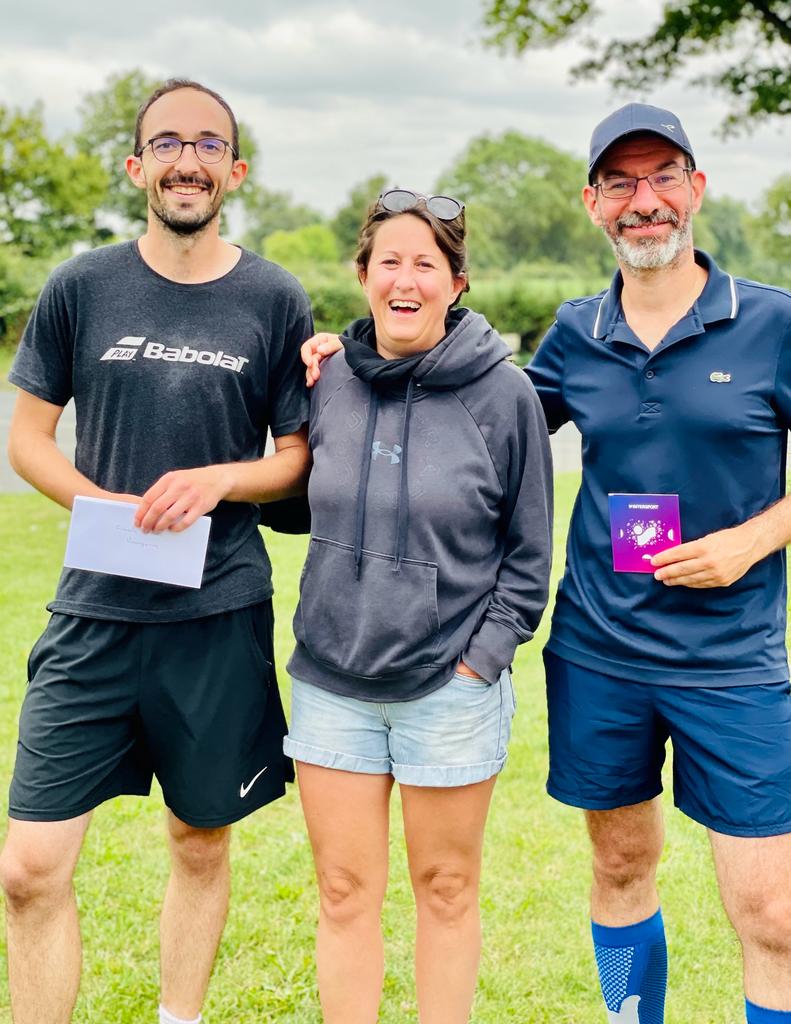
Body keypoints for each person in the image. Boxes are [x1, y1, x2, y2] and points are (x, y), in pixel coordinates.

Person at [302, 105, 791, 1024]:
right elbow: (467, 411)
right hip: (600, 652)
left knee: (772, 911)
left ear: (695, 188)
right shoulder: (576, 331)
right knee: (619, 864)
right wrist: (349, 356)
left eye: (662, 177)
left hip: (732, 660)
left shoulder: (770, 321)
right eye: (619, 183)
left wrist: (754, 538)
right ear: (592, 204)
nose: (643, 201)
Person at [0, 79, 313, 1024]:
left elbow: (296, 459)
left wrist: (220, 480)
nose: (188, 160)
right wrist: (99, 505)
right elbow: (28, 439)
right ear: (138, 166)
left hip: (216, 615)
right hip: (93, 614)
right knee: (28, 868)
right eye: (168, 143)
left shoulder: (273, 296)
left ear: (235, 171)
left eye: (209, 145)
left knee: (198, 840)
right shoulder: (82, 285)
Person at [287, 189, 552, 1024]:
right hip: (332, 683)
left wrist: (479, 664)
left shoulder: (504, 396)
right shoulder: (324, 380)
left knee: (445, 888)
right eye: (389, 262)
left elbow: (529, 556)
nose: (406, 280)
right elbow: (289, 495)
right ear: (362, 275)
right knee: (341, 890)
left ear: (457, 282)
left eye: (425, 265)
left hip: (449, 690)